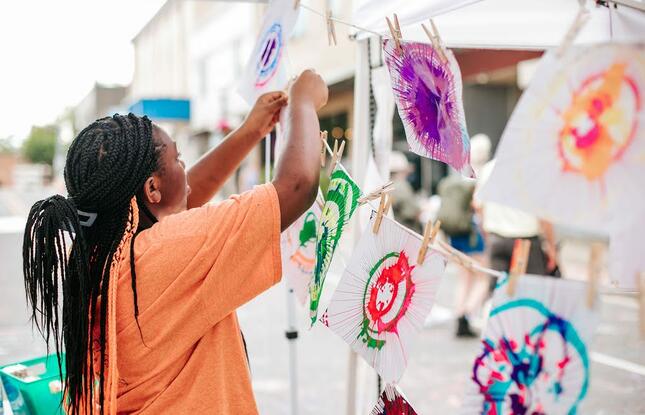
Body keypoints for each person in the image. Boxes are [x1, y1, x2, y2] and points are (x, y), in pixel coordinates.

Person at [22, 70, 328, 414]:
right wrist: (305, 99)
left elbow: (177, 200)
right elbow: (297, 185)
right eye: (178, 159)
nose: (186, 170)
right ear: (151, 189)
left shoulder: (101, 251)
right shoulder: (167, 253)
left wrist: (250, 131)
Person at [475, 155, 559, 288]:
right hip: (526, 241)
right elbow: (544, 214)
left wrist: (486, 234)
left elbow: (478, 206)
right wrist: (552, 247)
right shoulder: (533, 169)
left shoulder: (489, 168)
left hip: (496, 238)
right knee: (529, 294)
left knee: (498, 293)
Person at [437, 134, 490, 338]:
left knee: (464, 277)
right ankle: (465, 315)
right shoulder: (483, 174)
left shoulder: (459, 171)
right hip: (472, 233)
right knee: (483, 277)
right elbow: (478, 205)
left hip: (456, 234)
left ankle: (460, 315)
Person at [389, 151, 422, 233]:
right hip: (405, 232)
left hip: (393, 231)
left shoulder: (386, 185)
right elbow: (412, 212)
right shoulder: (402, 186)